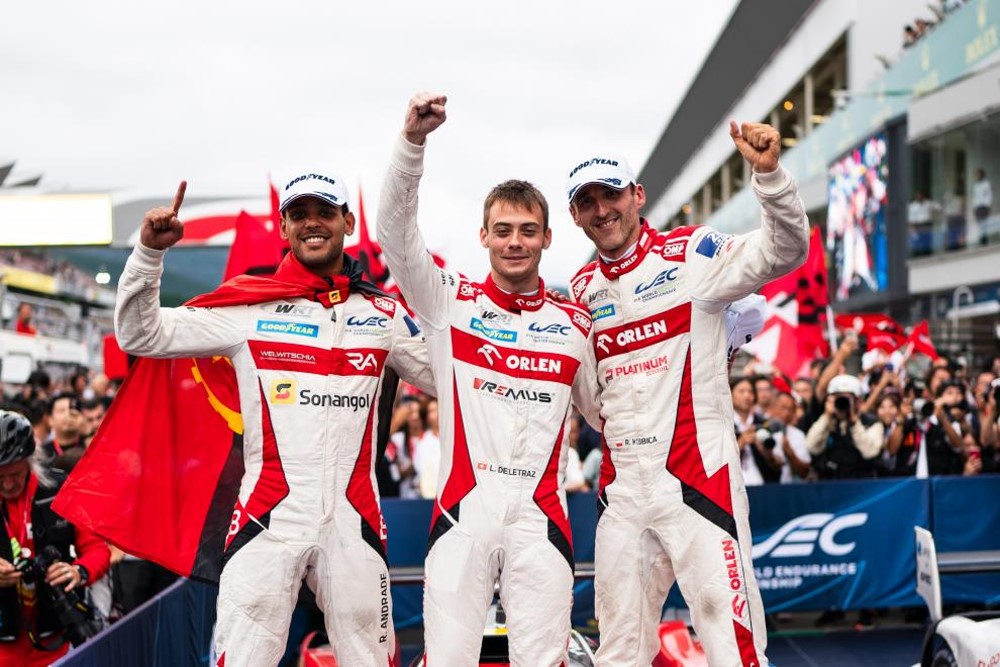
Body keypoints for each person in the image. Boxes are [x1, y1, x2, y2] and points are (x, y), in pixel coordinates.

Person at [113, 179, 433, 665]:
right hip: (268, 518)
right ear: (283, 227)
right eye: (298, 213)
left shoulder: (383, 313)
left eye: (324, 212)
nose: (311, 222)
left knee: (372, 658)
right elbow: (140, 334)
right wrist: (148, 255)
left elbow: (455, 380)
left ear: (347, 223)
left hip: (355, 521)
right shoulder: (247, 308)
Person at [566, 120, 809, 666]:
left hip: (700, 481)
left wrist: (769, 176)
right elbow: (589, 400)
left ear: (638, 196)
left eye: (612, 194)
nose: (603, 209)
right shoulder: (581, 291)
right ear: (576, 216)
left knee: (731, 640)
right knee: (619, 649)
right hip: (623, 493)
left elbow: (786, 250)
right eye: (588, 201)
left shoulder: (692, 251)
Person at [377, 93, 599, 666]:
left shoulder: (574, 323)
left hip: (542, 518)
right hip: (462, 517)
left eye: (528, 230)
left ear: (548, 238)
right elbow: (396, 238)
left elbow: (608, 412)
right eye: (503, 230)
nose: (515, 242)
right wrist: (412, 144)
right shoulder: (449, 301)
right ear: (484, 237)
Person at [0, 409, 110, 665]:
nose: (7, 485)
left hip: (56, 640)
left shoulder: (61, 489)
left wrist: (78, 572)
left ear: (30, 460)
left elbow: (97, 549)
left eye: (14, 475)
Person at [806, 374, 882, 479]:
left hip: (861, 485)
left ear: (858, 401)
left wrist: (855, 423)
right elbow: (812, 447)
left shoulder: (871, 422)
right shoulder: (826, 421)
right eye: (838, 398)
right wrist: (826, 417)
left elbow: (870, 452)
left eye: (847, 398)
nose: (842, 402)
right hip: (830, 485)